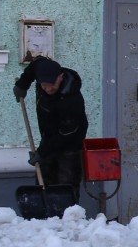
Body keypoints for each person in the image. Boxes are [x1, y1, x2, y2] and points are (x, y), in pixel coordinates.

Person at [13, 56, 88, 189]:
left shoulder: (72, 100)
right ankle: (44, 203)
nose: (48, 89)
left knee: (66, 185)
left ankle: (68, 208)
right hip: (48, 136)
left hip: (70, 143)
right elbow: (34, 66)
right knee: (44, 182)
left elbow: (66, 134)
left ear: (60, 77)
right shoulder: (41, 69)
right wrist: (22, 85)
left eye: (51, 85)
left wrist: (42, 153)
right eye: (44, 85)